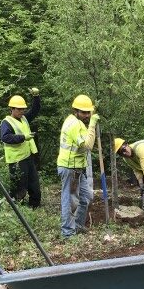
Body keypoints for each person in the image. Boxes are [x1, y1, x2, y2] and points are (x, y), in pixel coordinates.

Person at [57, 94, 99, 238]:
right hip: (69, 167)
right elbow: (87, 145)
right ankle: (67, 232)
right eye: (84, 112)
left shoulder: (75, 122)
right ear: (76, 111)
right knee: (68, 200)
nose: (87, 115)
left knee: (86, 197)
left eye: (89, 112)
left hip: (77, 168)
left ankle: (78, 225)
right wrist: (92, 125)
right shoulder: (75, 124)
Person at [0, 88, 41, 208]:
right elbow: (5, 138)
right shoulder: (6, 123)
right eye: (19, 109)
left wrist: (36, 96)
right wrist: (23, 137)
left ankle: (34, 207)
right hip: (16, 161)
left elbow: (35, 110)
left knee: (34, 185)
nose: (22, 111)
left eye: (23, 108)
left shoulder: (23, 118)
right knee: (19, 187)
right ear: (11, 109)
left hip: (27, 157)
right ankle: (17, 210)